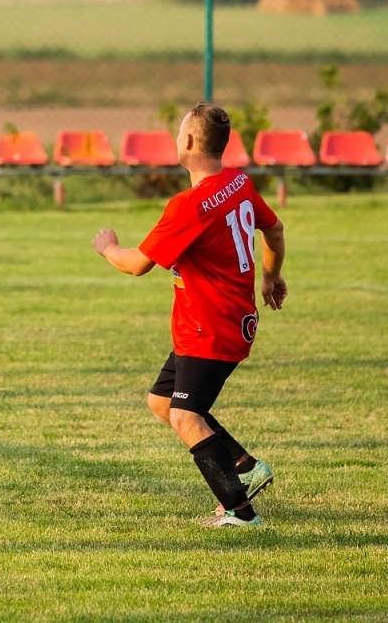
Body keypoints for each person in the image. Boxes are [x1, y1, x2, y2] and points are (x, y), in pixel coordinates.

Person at [91, 102, 288, 528]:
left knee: (185, 415)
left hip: (210, 327)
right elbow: (274, 229)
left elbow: (136, 263)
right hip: (221, 321)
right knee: (163, 402)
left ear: (189, 142)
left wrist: (107, 246)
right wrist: (271, 277)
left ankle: (240, 512)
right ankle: (244, 466)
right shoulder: (238, 182)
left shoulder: (189, 206)